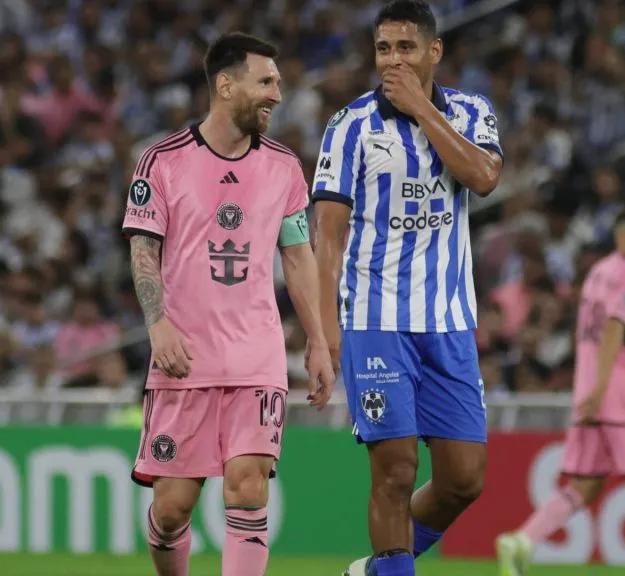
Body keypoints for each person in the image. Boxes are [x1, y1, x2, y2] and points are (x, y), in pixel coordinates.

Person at [121, 32, 336, 576]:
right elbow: (143, 251)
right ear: (225, 84)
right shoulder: (162, 161)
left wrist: (316, 340)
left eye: (278, 83)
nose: (277, 95)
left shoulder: (285, 167)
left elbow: (298, 256)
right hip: (183, 358)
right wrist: (157, 324)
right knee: (171, 512)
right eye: (266, 82)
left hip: (255, 358)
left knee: (247, 487)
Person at [311, 1, 504, 574]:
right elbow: (327, 237)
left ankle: (373, 570)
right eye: (383, 49)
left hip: (447, 324)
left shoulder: (471, 112)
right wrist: (325, 332)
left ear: (434, 51)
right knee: (394, 472)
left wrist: (421, 109)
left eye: (405, 48)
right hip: (375, 321)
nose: (393, 60)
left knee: (464, 481)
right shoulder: (349, 127)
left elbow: (485, 177)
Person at [496, 207, 625, 576]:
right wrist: (607, 385)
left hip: (590, 389)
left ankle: (522, 541)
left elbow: (593, 334)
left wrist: (592, 387)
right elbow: (614, 327)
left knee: (587, 483)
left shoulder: (598, 273)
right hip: (622, 395)